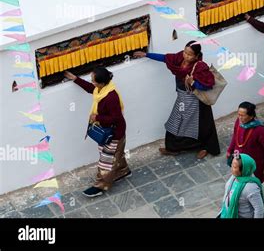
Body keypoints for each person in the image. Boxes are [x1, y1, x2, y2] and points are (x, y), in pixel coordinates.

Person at [134, 41, 220, 159]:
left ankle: (205, 147)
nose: (185, 55)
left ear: (196, 56)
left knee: (201, 126)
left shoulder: (200, 66)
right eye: (185, 52)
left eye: (189, 54)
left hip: (197, 101)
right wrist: (146, 55)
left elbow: (207, 85)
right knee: (175, 123)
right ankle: (173, 148)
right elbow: (165, 58)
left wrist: (193, 82)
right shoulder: (179, 58)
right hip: (183, 98)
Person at [64, 67, 131, 198]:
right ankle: (123, 171)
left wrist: (97, 117)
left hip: (114, 133)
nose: (92, 83)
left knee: (106, 161)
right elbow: (91, 89)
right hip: (110, 131)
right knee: (116, 154)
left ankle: (101, 185)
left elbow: (116, 117)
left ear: (101, 82)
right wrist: (75, 79)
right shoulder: (101, 90)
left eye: (94, 81)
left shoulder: (111, 97)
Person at [227, 102, 264, 183]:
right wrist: (230, 150)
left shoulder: (259, 130)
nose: (240, 117)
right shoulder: (238, 122)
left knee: (253, 185)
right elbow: (235, 136)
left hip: (254, 164)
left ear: (251, 116)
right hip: (238, 159)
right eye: (238, 114)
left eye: (243, 115)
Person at [220, 153, 264, 218]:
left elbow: (259, 209)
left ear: (243, 170)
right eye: (232, 165)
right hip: (227, 212)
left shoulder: (251, 188)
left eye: (235, 167)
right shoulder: (235, 177)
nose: (231, 168)